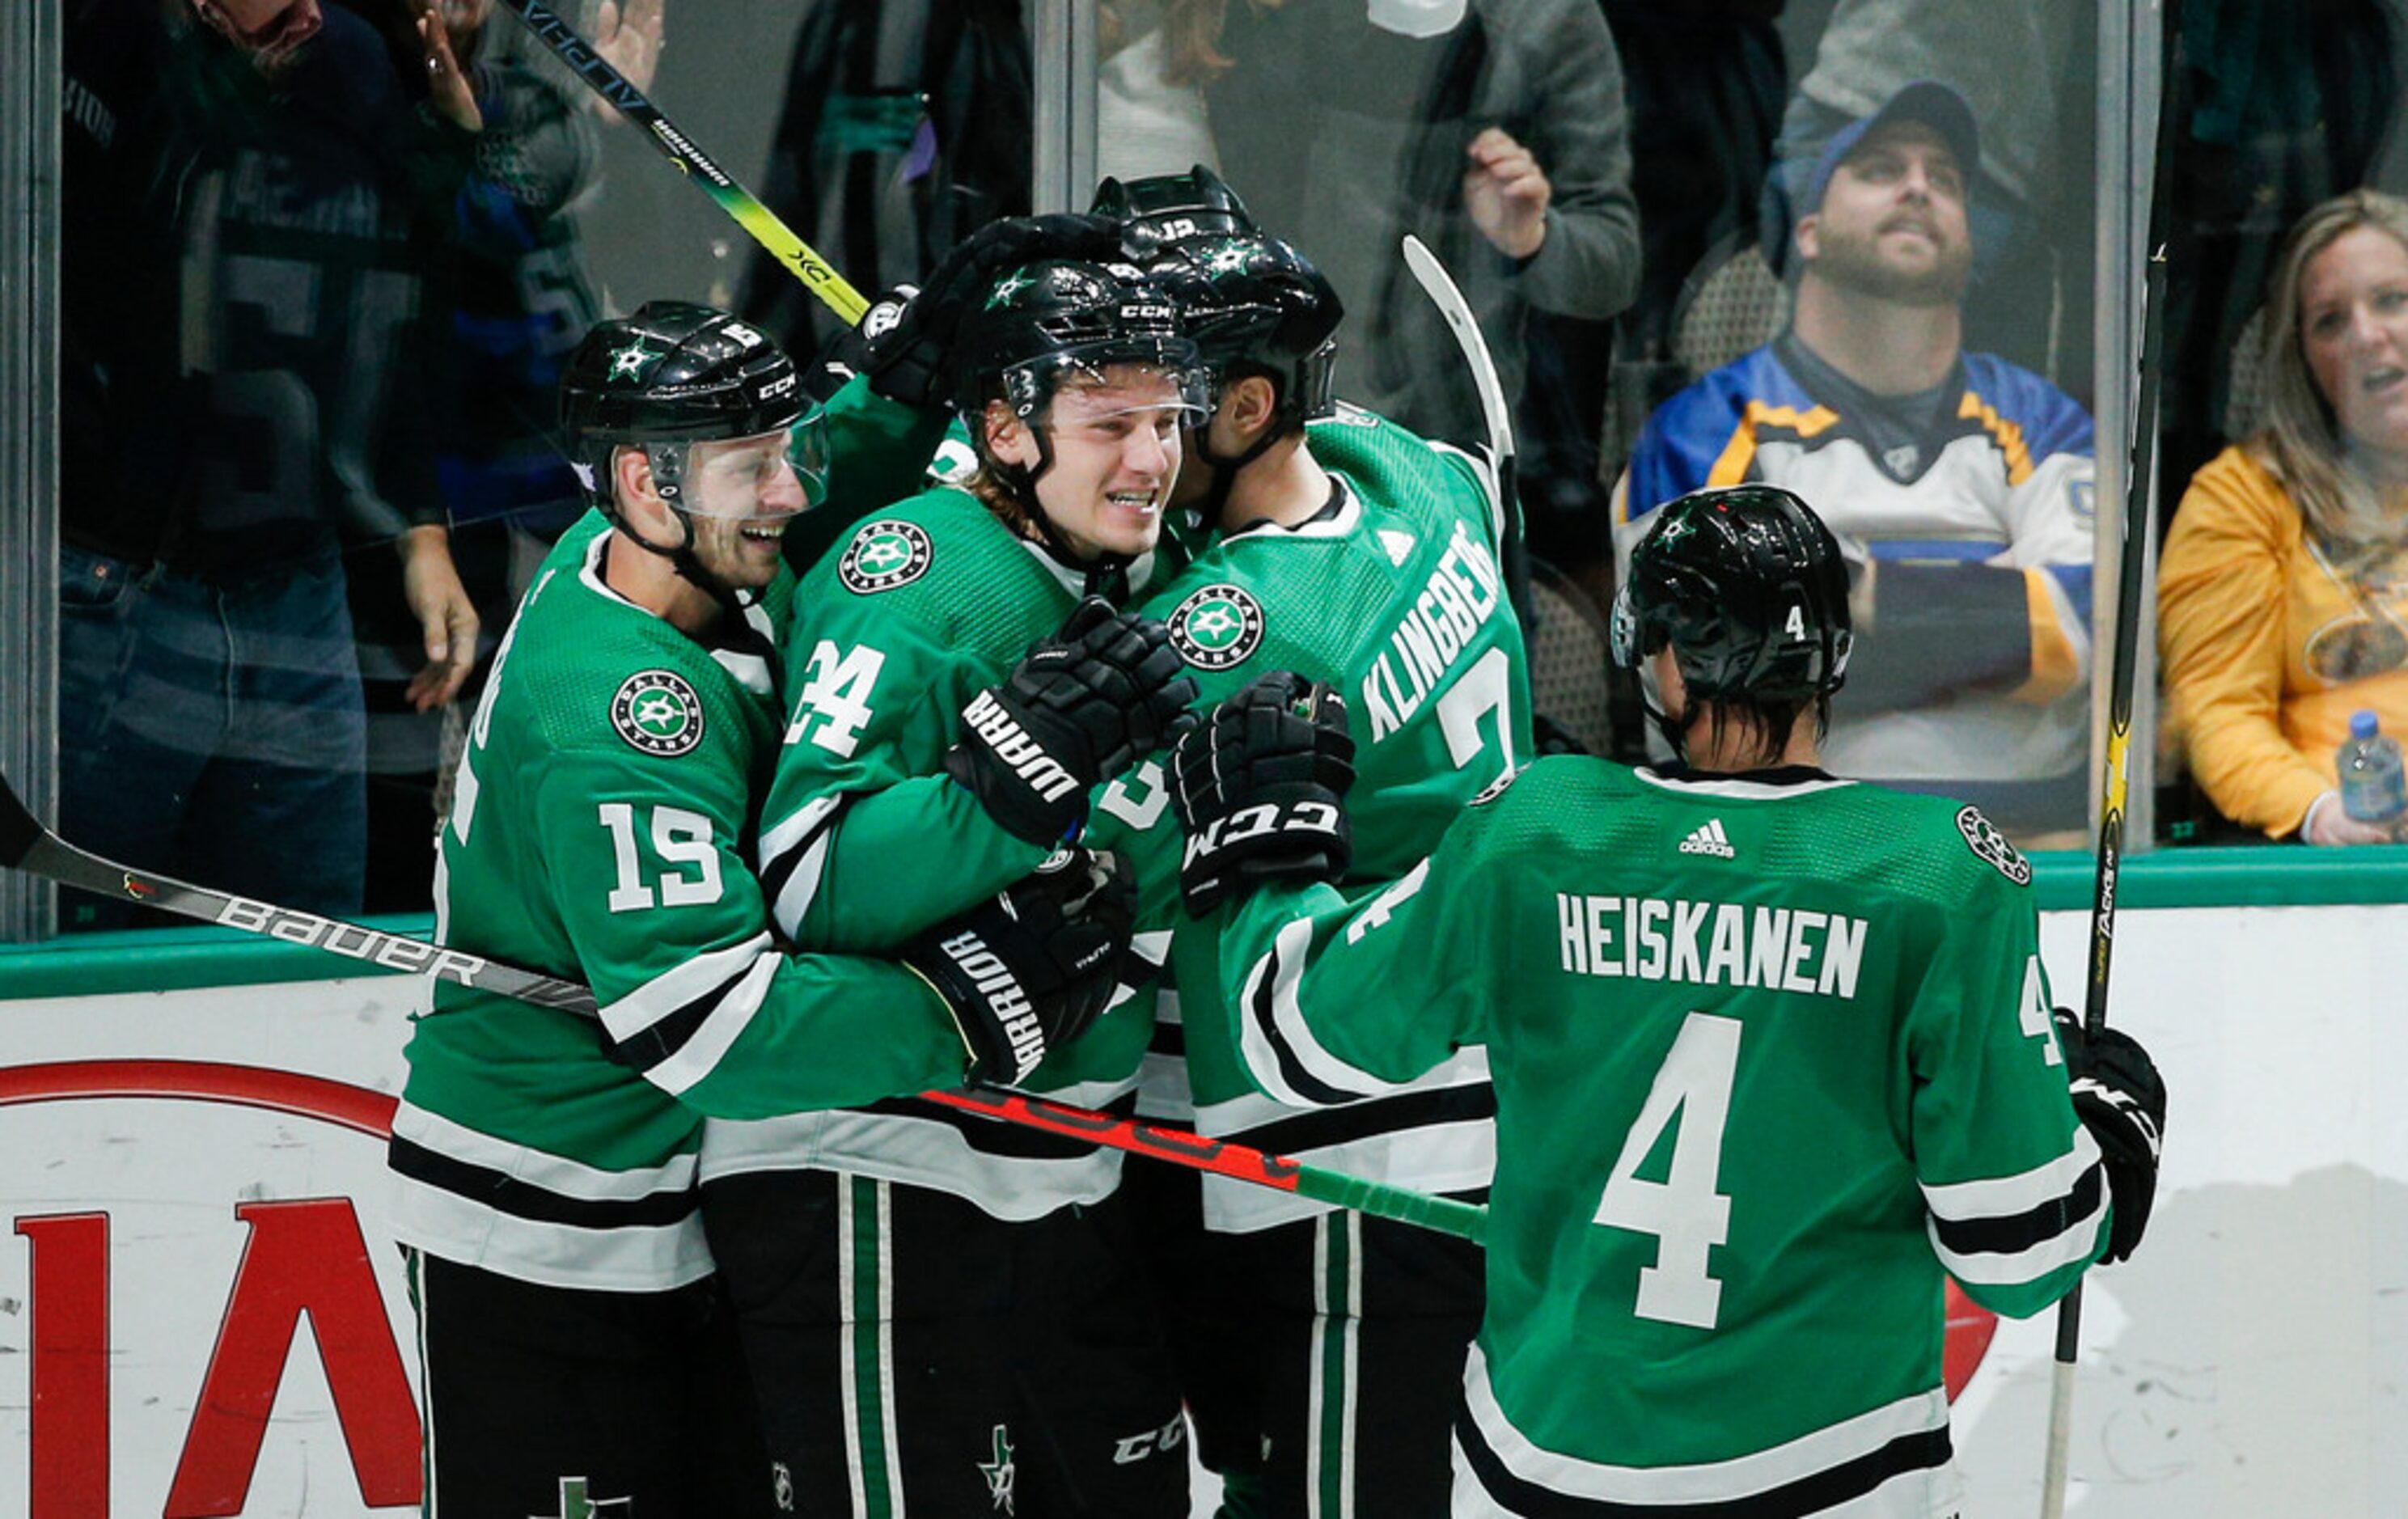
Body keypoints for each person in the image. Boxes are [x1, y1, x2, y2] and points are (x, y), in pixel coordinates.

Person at [1170, 483, 2168, 1515]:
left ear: (1663, 662)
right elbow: (2020, 1251)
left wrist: (1262, 867)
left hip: (1542, 1468)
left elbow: (1296, 1040)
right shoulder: (1936, 877)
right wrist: (2102, 1128)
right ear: (1833, 654)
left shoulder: (1534, 831)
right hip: (1832, 1475)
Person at [387, 301, 1137, 1514]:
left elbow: (807, 487)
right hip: (551, 1226)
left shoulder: (652, 544)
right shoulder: (619, 713)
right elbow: (709, 1028)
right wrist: (955, 1010)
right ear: (644, 482)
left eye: (787, 449)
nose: (788, 494)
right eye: (756, 467)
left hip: (673, 1210)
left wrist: (897, 388)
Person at [698, 256, 1210, 1517]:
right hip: (878, 1179)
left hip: (1061, 1179)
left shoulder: (1134, 560)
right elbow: (811, 881)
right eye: (1107, 425)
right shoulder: (915, 569)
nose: (1149, 458)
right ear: (1002, 426)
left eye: (1163, 419)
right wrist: (1008, 786)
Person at [1077, 166, 1532, 1516]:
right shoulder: (1416, 474)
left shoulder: (1238, 630)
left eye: (1160, 399)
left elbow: (1095, 875)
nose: (1136, 431)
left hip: (1338, 1133)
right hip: (1458, 1093)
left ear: (1251, 402)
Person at [57, 0, 481, 928]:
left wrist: (420, 527)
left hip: (296, 590)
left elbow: (383, 308)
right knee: (87, 964)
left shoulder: (355, 59)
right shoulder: (91, 41)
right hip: (104, 587)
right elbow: (73, 284)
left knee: (308, 950)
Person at [1619, 80, 2098, 843]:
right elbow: (1700, 691)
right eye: (1879, 169)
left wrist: (1849, 593)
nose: (1917, 187)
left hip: (2032, 849)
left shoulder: (2047, 425)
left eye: (1943, 179)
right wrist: (1992, 618)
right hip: (1781, 847)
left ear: (1969, 240)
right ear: (1806, 231)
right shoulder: (1699, 433)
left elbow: (2080, 642)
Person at [2160, 188, 2408, 844]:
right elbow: (2217, 709)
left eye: (2391, 300)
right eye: (2329, 321)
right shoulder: (2240, 496)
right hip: (2337, 864)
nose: (2366, 335)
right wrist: (2322, 812)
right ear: (2302, 358)